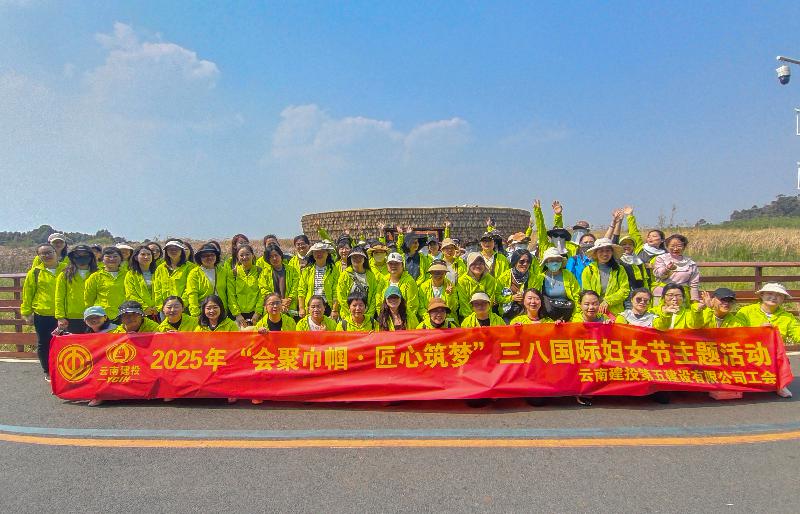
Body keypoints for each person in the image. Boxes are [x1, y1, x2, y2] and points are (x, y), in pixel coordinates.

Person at [21, 244, 67, 379]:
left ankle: (65, 369)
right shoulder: (35, 272)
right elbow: (28, 294)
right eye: (43, 253)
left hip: (65, 314)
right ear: (38, 256)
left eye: (49, 252)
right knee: (44, 343)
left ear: (56, 252)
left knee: (65, 342)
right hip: (43, 314)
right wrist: (26, 313)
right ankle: (47, 370)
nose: (47, 255)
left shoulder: (67, 269)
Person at [54, 245, 98, 334]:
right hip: (71, 317)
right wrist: (60, 317)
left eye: (85, 255)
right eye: (78, 255)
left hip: (94, 316)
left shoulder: (98, 274)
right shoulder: (65, 275)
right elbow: (59, 297)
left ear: (91, 257)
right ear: (72, 257)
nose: (81, 257)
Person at [581, 238, 630, 316]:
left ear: (612, 252)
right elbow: (587, 293)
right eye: (601, 251)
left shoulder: (620, 269)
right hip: (594, 312)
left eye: (608, 251)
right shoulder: (588, 270)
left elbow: (625, 290)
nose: (605, 254)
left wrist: (608, 301)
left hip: (616, 313)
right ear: (596, 253)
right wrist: (598, 304)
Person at [533, 248, 580, 321]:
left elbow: (576, 295)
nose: (555, 263)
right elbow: (536, 297)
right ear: (546, 263)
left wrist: (577, 314)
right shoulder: (540, 277)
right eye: (551, 260)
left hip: (567, 312)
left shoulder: (568, 275)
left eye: (558, 260)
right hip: (547, 315)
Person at [297, 241, 340, 319]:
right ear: (312, 254)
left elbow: (336, 291)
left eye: (322, 251)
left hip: (327, 307)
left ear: (327, 253)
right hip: (311, 307)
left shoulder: (334, 270)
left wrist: (334, 309)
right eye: (316, 252)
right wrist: (301, 308)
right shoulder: (307, 270)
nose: (319, 254)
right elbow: (301, 290)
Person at [185, 243, 229, 317]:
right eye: (205, 256)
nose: (209, 258)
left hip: (222, 311)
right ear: (200, 258)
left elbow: (229, 292)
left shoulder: (224, 271)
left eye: (212, 255)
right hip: (203, 313)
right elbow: (192, 295)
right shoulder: (194, 273)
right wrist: (195, 314)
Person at [336, 246, 380, 321]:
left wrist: (368, 315)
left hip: (367, 317)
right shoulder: (345, 275)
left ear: (364, 258)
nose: (357, 259)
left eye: (360, 257)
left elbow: (374, 297)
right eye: (354, 257)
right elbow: (341, 297)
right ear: (350, 259)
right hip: (348, 317)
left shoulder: (371, 275)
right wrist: (351, 316)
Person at [652, 234, 700, 302]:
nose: (675, 249)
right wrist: (667, 269)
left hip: (681, 294)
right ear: (667, 246)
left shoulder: (691, 263)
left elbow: (694, 283)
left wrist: (694, 300)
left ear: (684, 247)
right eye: (672, 246)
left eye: (679, 246)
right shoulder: (661, 258)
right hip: (663, 291)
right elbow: (659, 275)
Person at [84, 247, 128, 320]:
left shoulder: (128, 275)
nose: (112, 259)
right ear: (102, 259)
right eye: (108, 256)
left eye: (115, 256)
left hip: (124, 315)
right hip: (101, 316)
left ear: (121, 259)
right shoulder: (95, 276)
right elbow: (89, 299)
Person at [227, 244, 264, 329]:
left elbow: (262, 294)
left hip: (256, 315)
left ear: (252, 255)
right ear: (237, 257)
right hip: (239, 316)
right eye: (241, 255)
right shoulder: (233, 273)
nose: (244, 257)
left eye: (247, 254)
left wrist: (258, 313)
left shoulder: (259, 271)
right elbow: (231, 295)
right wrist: (237, 314)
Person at [258, 243, 299, 318]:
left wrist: (289, 299)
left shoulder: (292, 270)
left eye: (276, 255)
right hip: (272, 308)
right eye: (271, 257)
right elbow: (263, 289)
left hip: (289, 307)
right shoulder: (264, 273)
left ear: (280, 255)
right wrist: (278, 301)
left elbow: (295, 287)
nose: (274, 258)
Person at [497, 249, 538, 323]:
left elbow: (537, 297)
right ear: (515, 262)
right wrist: (511, 298)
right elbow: (497, 297)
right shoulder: (503, 277)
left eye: (528, 261)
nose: (525, 264)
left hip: (527, 313)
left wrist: (526, 298)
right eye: (521, 261)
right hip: (508, 313)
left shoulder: (534, 278)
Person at [375, 252, 420, 319]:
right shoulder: (383, 280)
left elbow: (412, 306)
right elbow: (378, 303)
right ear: (387, 265)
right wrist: (383, 318)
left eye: (396, 263)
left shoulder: (409, 281)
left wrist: (404, 321)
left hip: (404, 320)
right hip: (386, 319)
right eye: (390, 263)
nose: (393, 266)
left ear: (402, 265)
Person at [153, 240, 195, 308]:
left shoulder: (190, 267)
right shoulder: (160, 268)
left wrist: (182, 304)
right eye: (170, 249)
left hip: (184, 307)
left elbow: (190, 288)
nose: (173, 251)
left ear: (181, 251)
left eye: (176, 249)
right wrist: (160, 306)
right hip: (165, 308)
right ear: (166, 252)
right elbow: (157, 289)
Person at [457, 253, 499, 320]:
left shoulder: (490, 279)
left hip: (486, 315)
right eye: (474, 264)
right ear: (469, 265)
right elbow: (464, 303)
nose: (477, 266)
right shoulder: (462, 281)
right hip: (467, 317)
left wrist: (483, 316)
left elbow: (489, 301)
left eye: (480, 263)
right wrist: (471, 320)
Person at [417, 260, 460, 325]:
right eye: (435, 272)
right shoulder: (423, 287)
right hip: (428, 320)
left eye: (441, 272)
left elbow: (454, 308)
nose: (438, 275)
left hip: (448, 320)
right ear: (430, 273)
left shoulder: (451, 286)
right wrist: (431, 319)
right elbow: (421, 308)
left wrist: (450, 295)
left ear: (445, 273)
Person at [124, 245, 159, 318]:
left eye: (149, 254)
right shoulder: (131, 274)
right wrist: (145, 307)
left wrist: (158, 306)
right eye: (143, 254)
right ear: (136, 257)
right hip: (140, 311)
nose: (146, 257)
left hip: (159, 311)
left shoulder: (159, 272)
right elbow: (131, 294)